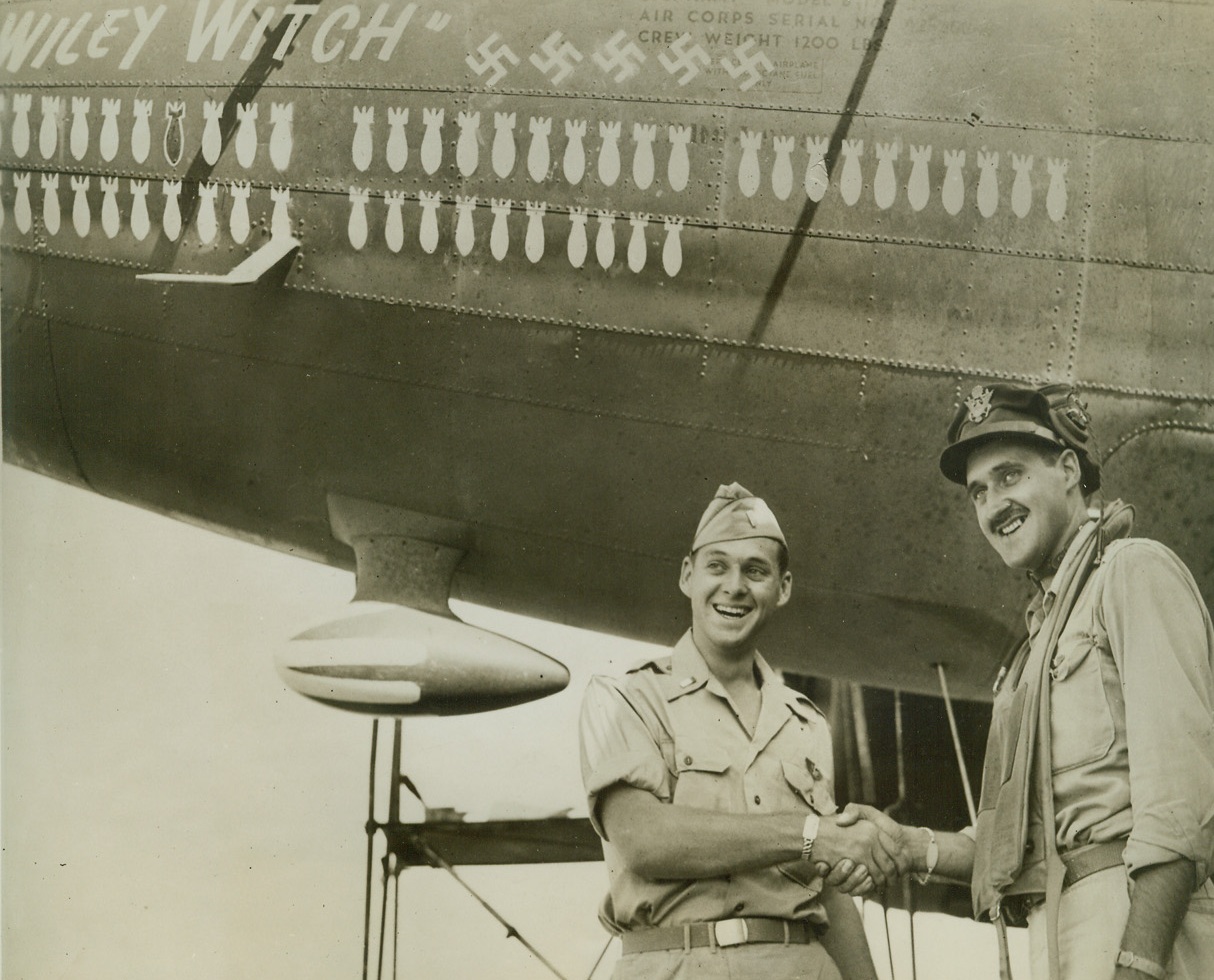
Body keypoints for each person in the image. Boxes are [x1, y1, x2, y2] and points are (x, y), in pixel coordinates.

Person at [834, 382, 1214, 980]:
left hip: (1136, 927)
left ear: (1068, 469)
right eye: (978, 492)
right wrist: (907, 846)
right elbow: (1018, 845)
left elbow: (1180, 808)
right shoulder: (1042, 637)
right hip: (1060, 931)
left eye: (1009, 477)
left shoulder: (1133, 572)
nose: (992, 505)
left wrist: (1137, 964)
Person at [578, 483, 908, 980]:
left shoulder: (806, 722)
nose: (734, 586)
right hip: (679, 965)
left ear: (784, 587)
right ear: (688, 576)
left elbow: (829, 895)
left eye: (755, 571)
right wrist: (810, 836)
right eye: (717, 566)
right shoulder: (627, 698)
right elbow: (643, 840)